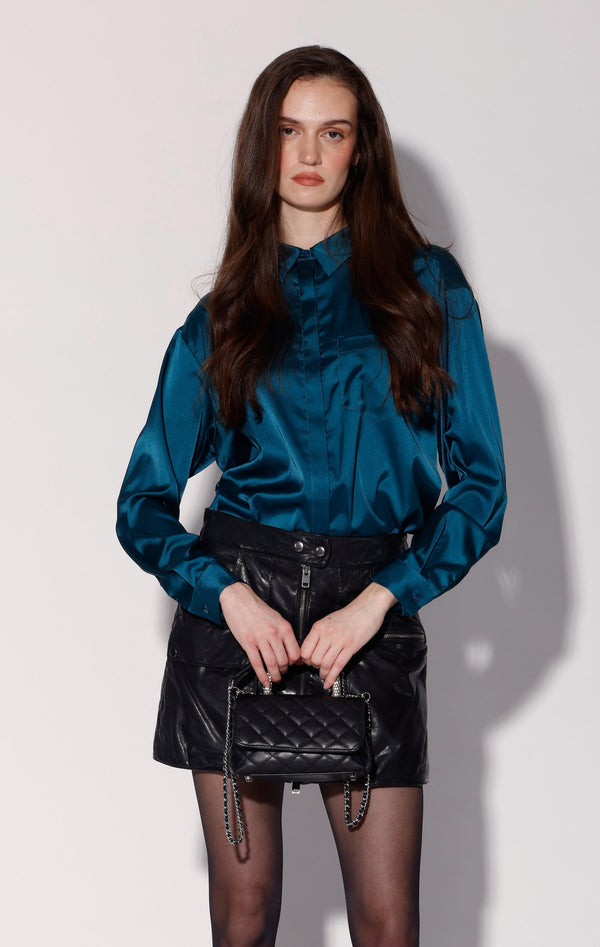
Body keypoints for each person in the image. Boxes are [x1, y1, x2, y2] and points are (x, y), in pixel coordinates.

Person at [116, 45, 506, 947]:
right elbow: (142, 502)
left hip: (369, 613)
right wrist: (224, 595)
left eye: (333, 132)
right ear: (265, 145)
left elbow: (482, 487)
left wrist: (382, 599)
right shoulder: (220, 319)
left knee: (386, 923)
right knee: (245, 919)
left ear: (361, 150)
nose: (309, 152)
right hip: (237, 627)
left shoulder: (428, 292)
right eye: (291, 131)